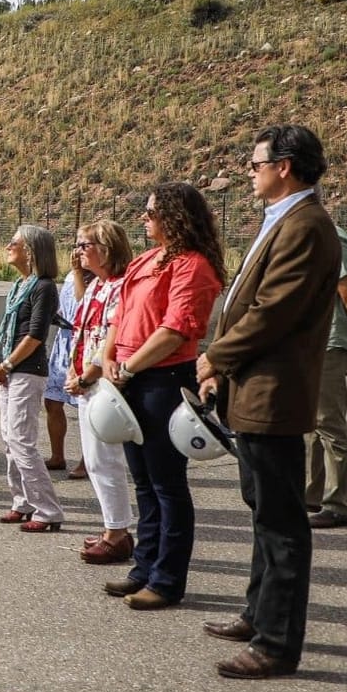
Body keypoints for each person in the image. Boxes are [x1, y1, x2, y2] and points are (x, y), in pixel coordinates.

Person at [198, 126, 343, 679]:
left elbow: (272, 311)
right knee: (264, 510)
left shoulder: (306, 225)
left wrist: (216, 357)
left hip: (274, 393)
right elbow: (247, 302)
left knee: (282, 521)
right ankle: (257, 614)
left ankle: (277, 643)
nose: (249, 171)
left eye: (256, 162)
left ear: (284, 166)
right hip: (254, 387)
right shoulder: (283, 219)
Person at [98, 183, 227, 610]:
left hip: (161, 380)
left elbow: (176, 330)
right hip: (129, 379)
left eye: (151, 212)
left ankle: (167, 579)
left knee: (166, 485)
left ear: (174, 216)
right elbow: (118, 318)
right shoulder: (146, 260)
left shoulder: (193, 266)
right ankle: (143, 569)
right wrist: (108, 359)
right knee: (144, 484)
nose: (144, 218)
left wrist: (129, 367)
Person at [65, 220, 136, 564]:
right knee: (94, 460)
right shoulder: (96, 286)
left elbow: (112, 338)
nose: (78, 252)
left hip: (102, 381)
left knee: (104, 460)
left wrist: (88, 374)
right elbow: (81, 329)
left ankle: (117, 533)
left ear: (106, 248)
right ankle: (113, 526)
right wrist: (72, 370)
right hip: (85, 379)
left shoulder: (122, 287)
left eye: (84, 245)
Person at [0, 226, 63, 530]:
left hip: (27, 371)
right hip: (10, 369)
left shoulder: (44, 287)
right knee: (9, 439)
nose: (8, 246)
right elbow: (10, 328)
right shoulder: (19, 286)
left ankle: (48, 510)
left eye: (14, 242)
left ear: (30, 250)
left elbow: (35, 335)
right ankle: (23, 501)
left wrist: (7, 363)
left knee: (21, 441)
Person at [306, 226, 347, 528]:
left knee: (329, 425)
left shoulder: (329, 235)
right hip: (306, 344)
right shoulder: (295, 229)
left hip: (327, 344)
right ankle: (311, 494)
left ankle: (337, 503)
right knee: (309, 425)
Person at [44, 247, 87, 478]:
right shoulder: (71, 275)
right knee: (52, 401)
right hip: (64, 341)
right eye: (76, 245)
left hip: (83, 344)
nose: (77, 251)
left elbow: (84, 301)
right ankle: (57, 456)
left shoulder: (96, 276)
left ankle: (87, 460)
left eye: (84, 245)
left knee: (84, 407)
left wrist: (79, 271)